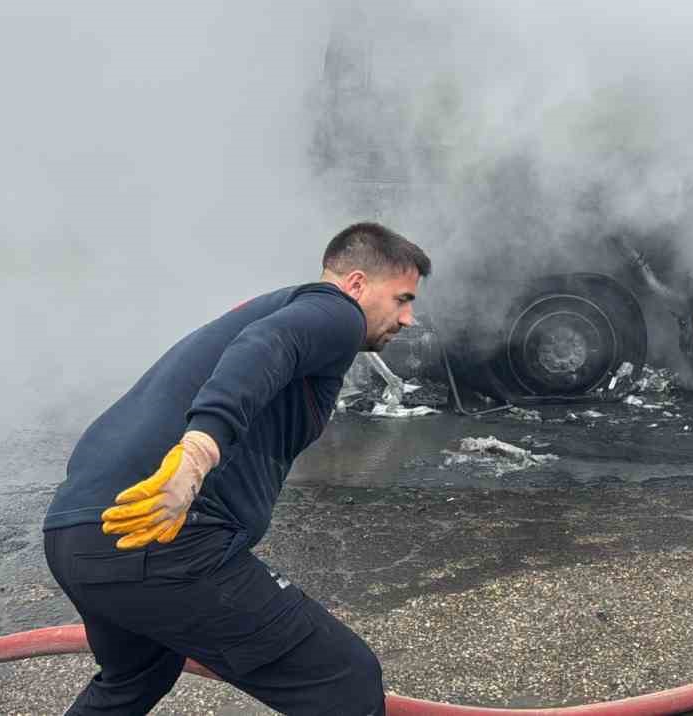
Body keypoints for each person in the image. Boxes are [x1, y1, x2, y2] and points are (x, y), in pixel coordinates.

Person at [41, 222, 430, 715]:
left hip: (76, 533)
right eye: (402, 299)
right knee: (345, 680)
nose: (408, 319)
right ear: (356, 283)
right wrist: (198, 450)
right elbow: (269, 344)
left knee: (137, 676)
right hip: (162, 533)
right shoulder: (336, 312)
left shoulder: (275, 309)